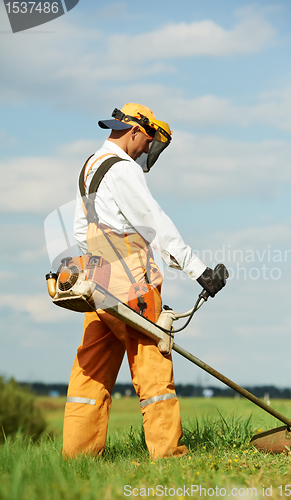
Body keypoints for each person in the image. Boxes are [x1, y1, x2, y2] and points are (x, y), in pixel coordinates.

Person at [62, 103, 227, 459]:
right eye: (146, 141)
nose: (145, 150)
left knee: (92, 367)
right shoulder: (123, 171)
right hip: (130, 281)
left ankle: (77, 458)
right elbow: (155, 224)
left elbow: (80, 230)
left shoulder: (90, 166)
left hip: (95, 276)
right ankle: (166, 454)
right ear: (134, 131)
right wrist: (199, 270)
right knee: (153, 359)